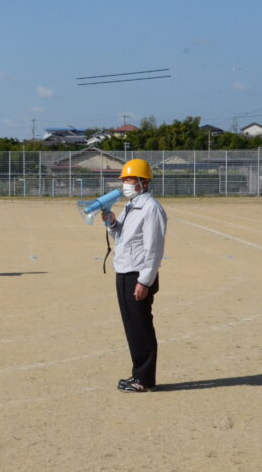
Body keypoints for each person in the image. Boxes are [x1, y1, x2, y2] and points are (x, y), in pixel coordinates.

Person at [102, 158, 167, 393]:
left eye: (130, 179)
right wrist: (111, 224)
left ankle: (144, 379)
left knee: (141, 327)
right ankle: (138, 373)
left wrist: (145, 281)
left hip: (137, 275)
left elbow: (154, 248)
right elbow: (122, 237)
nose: (125, 183)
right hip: (124, 271)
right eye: (124, 179)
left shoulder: (151, 208)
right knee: (132, 326)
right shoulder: (131, 206)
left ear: (143, 181)